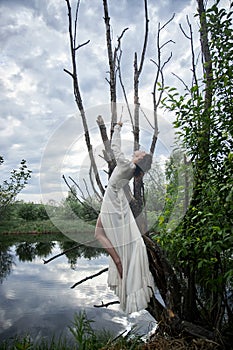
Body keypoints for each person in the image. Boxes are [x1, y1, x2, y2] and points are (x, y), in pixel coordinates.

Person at [95, 121, 155, 314]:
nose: (138, 152)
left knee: (98, 232)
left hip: (112, 197)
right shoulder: (131, 169)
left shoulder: (127, 164)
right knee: (101, 232)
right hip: (117, 198)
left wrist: (118, 127)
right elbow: (125, 186)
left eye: (140, 154)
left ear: (138, 160)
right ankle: (119, 259)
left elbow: (114, 147)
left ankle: (118, 261)